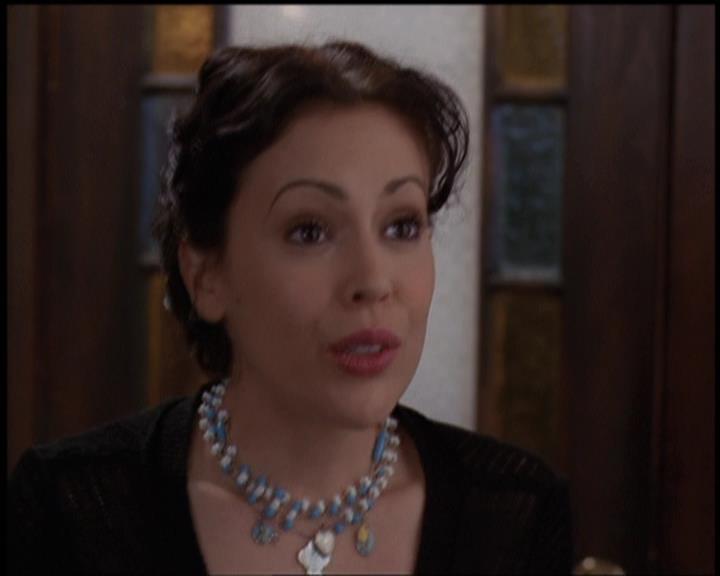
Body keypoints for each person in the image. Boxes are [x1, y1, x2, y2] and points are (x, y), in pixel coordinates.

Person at [8, 41, 573, 574]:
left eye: (402, 226)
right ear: (206, 276)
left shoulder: (514, 517)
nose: (373, 281)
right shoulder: (72, 513)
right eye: (309, 231)